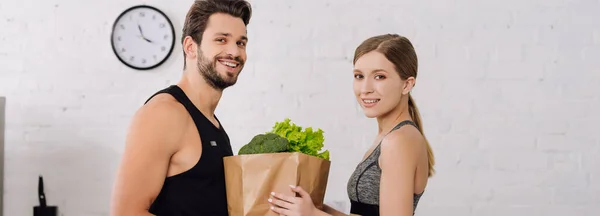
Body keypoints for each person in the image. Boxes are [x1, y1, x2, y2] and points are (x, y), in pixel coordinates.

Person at [109, 0, 252, 215]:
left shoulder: (211, 122)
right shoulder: (164, 113)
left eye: (241, 43)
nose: (234, 51)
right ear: (190, 47)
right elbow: (126, 212)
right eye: (221, 40)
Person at [268, 34, 436, 216]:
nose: (365, 89)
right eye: (359, 76)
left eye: (379, 76)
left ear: (406, 85)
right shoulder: (390, 137)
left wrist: (313, 214)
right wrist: (319, 209)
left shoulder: (398, 141)